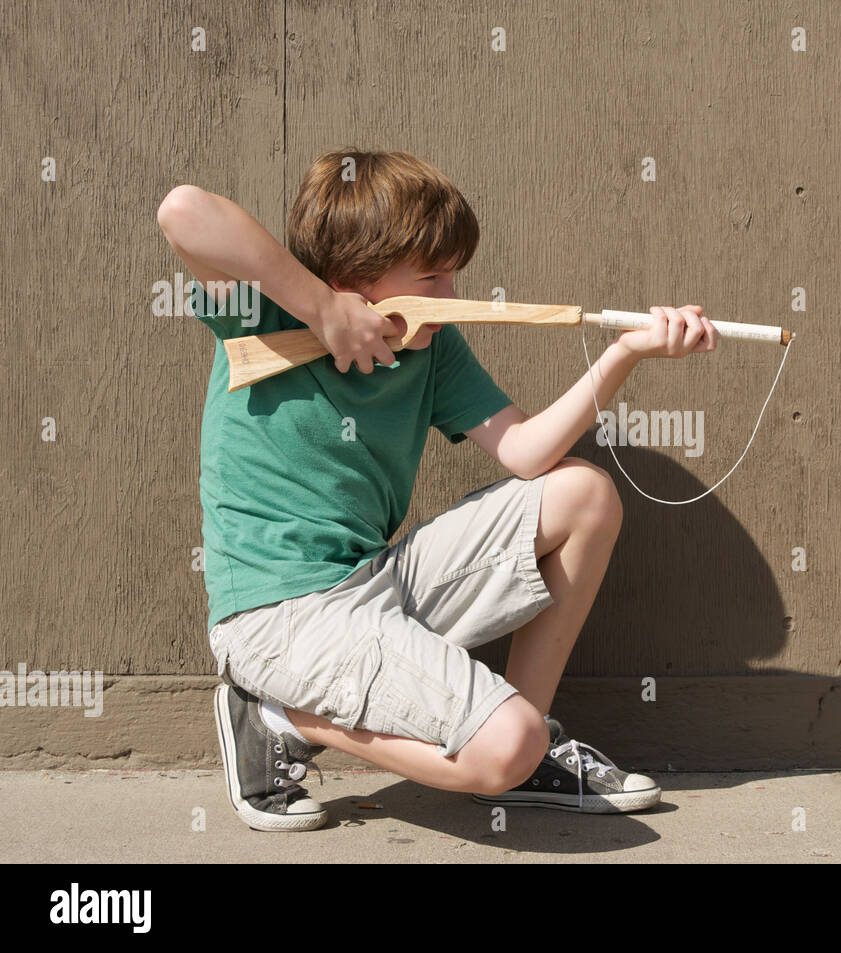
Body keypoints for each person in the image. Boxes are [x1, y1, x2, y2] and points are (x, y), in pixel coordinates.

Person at [156, 149, 717, 830]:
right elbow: (181, 210)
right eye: (432, 275)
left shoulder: (432, 346)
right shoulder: (264, 315)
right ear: (353, 275)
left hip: (374, 583)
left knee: (585, 494)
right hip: (279, 619)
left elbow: (525, 451)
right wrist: (321, 309)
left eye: (453, 273)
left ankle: (527, 742)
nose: (452, 295)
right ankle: (277, 711)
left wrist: (624, 353)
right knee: (504, 744)